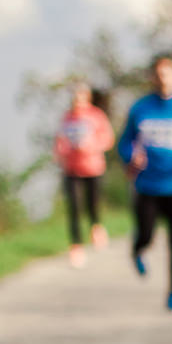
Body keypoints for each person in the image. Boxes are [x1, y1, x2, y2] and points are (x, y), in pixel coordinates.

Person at [118, 55, 172, 312]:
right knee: (146, 233)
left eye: (167, 73)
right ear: (152, 78)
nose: (162, 79)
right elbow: (124, 142)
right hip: (147, 185)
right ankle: (138, 250)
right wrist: (130, 156)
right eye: (158, 74)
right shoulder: (140, 109)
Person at [53, 80, 114, 267]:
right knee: (74, 208)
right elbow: (60, 141)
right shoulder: (67, 118)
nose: (77, 99)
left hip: (93, 168)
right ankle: (76, 246)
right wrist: (61, 151)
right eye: (74, 96)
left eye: (80, 95)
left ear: (87, 97)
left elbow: (108, 139)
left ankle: (96, 226)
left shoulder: (96, 116)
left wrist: (91, 147)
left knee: (92, 204)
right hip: (72, 169)